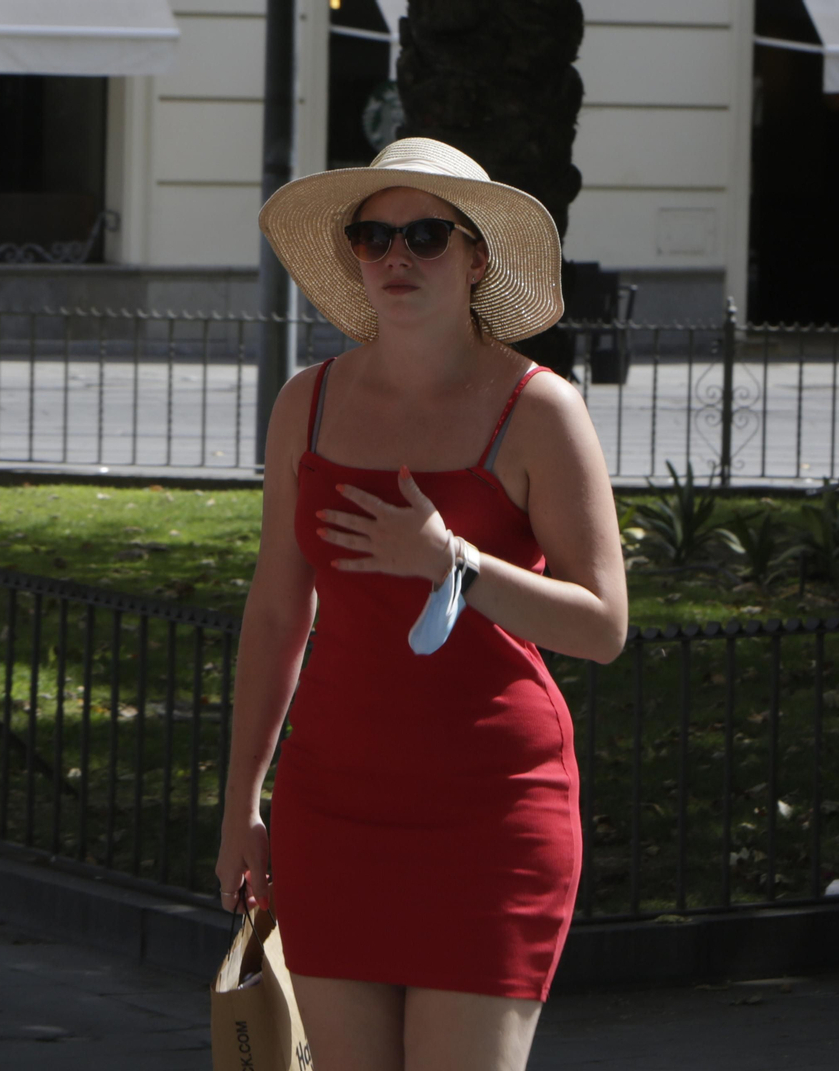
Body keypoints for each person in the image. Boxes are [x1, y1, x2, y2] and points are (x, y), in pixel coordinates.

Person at [215, 138, 628, 1071]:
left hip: (494, 813)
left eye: (427, 234)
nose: (397, 256)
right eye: (374, 236)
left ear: (478, 257)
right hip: (332, 808)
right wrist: (242, 801)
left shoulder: (538, 408)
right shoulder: (306, 404)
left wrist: (456, 562)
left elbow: (603, 625)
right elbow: (279, 614)